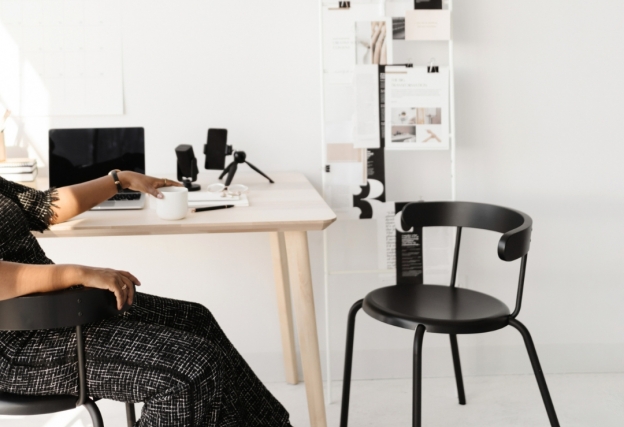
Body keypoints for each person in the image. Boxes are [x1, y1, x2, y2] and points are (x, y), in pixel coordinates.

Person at [0, 171, 292, 427]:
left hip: (57, 307)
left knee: (196, 320)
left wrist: (120, 180)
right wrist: (78, 273)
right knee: (190, 371)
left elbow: (42, 206)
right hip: (14, 341)